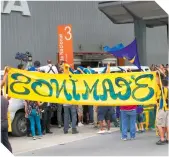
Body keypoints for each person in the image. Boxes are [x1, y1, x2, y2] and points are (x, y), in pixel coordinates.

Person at [38, 60, 58, 133]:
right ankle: (44, 130)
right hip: (45, 105)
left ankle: (47, 130)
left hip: (49, 105)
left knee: (48, 118)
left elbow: (38, 69)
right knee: (45, 118)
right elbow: (57, 75)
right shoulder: (55, 68)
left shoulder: (45, 67)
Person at [61, 62, 79, 134]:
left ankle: (65, 129)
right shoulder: (72, 80)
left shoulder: (62, 80)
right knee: (73, 116)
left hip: (65, 102)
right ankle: (73, 129)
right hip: (72, 101)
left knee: (66, 116)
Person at [156, 79, 168, 145]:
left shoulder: (162, 90)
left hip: (163, 109)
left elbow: (157, 99)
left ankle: (162, 138)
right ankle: (164, 137)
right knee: (165, 125)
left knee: (159, 125)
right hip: (167, 109)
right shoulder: (167, 89)